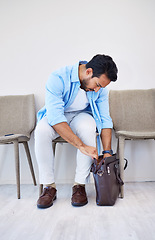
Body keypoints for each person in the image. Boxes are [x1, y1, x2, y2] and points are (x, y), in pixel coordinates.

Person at [35, 54, 118, 209]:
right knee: (41, 131)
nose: (97, 89)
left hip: (81, 115)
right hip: (57, 116)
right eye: (97, 84)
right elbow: (55, 117)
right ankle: (48, 187)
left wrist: (107, 151)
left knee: (88, 127)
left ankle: (79, 185)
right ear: (89, 72)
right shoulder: (58, 78)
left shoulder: (100, 89)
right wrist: (80, 146)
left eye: (101, 87)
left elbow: (105, 119)